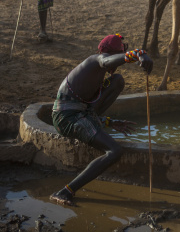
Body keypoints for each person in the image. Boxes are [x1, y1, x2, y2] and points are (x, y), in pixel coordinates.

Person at [49, 34, 153, 206]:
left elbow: (85, 107)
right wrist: (139, 53)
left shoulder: (99, 76)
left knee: (117, 80)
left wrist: (110, 122)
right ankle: (64, 192)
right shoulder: (97, 60)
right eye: (119, 54)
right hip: (66, 117)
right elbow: (107, 61)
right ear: (110, 53)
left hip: (80, 113)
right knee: (115, 151)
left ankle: (98, 123)